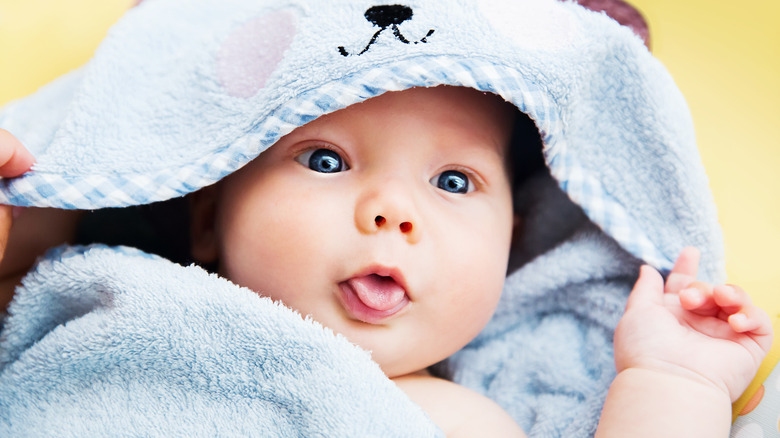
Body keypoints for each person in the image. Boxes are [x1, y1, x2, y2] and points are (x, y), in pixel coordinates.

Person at [0, 83, 772, 436]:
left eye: (453, 181)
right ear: (207, 216)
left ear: (513, 248)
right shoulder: (116, 295)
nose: (393, 211)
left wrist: (674, 382)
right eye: (327, 160)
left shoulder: (462, 420)